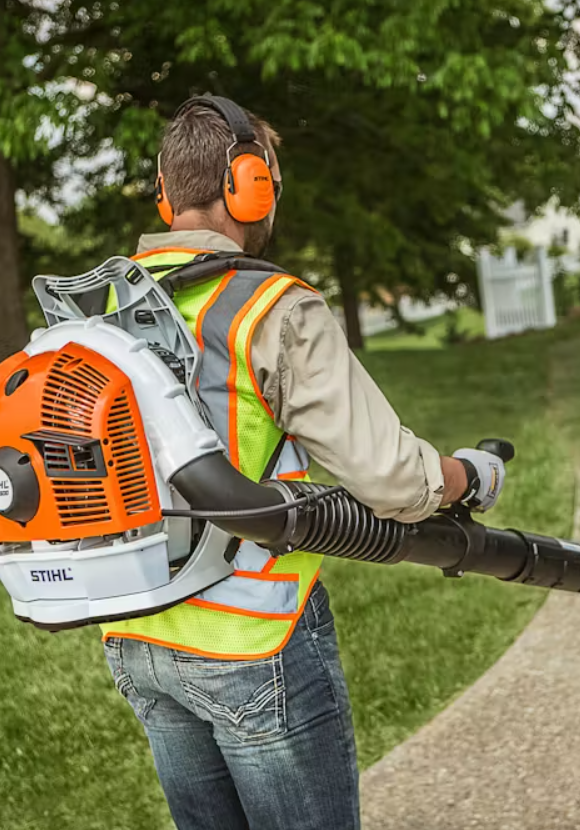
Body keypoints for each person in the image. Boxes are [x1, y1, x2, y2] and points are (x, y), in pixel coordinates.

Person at [101, 94, 506, 830]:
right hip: (253, 639)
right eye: (270, 181)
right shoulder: (271, 309)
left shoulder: (105, 311)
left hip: (138, 638)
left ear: (165, 196)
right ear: (246, 185)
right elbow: (393, 481)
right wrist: (469, 475)